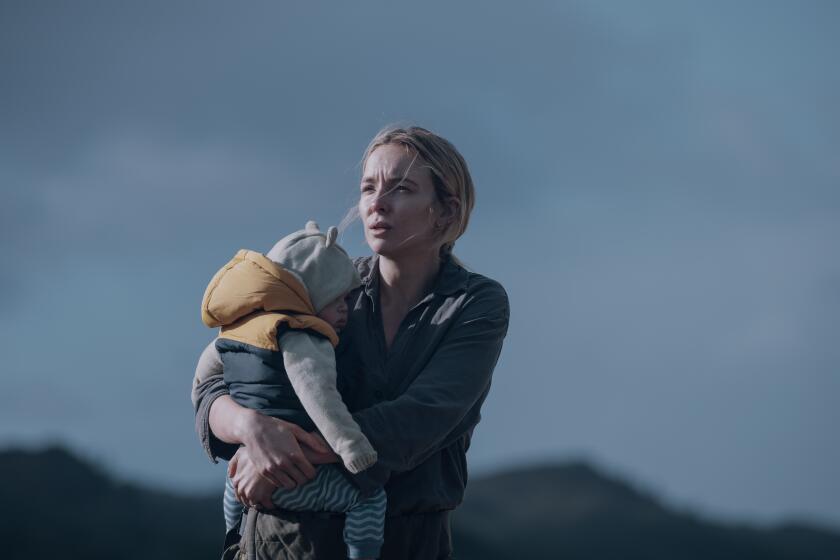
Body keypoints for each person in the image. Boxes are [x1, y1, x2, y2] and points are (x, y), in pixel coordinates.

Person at [192, 125, 510, 559]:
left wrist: (288, 455)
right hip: (283, 542)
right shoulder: (318, 283)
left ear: (445, 211)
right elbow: (222, 377)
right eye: (368, 188)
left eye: (401, 189)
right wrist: (255, 431)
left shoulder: (475, 303)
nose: (377, 203)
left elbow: (422, 417)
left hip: (406, 544)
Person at [200, 221, 386, 559]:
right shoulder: (305, 338)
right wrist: (351, 447)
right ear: (306, 297)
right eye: (336, 299)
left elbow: (204, 379)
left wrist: (254, 444)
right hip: (300, 478)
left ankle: (232, 532)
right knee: (371, 498)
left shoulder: (239, 330)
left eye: (347, 299)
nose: (345, 308)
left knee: (232, 476)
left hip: (252, 481)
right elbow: (320, 398)